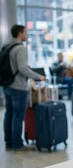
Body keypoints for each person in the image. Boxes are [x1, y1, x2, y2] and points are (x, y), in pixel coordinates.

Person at [2, 24, 45, 152]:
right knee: (18, 116)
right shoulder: (20, 48)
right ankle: (17, 145)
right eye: (25, 32)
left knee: (8, 114)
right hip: (18, 87)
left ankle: (8, 143)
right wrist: (38, 77)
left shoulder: (6, 45)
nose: (26, 35)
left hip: (7, 85)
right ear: (20, 34)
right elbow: (23, 68)